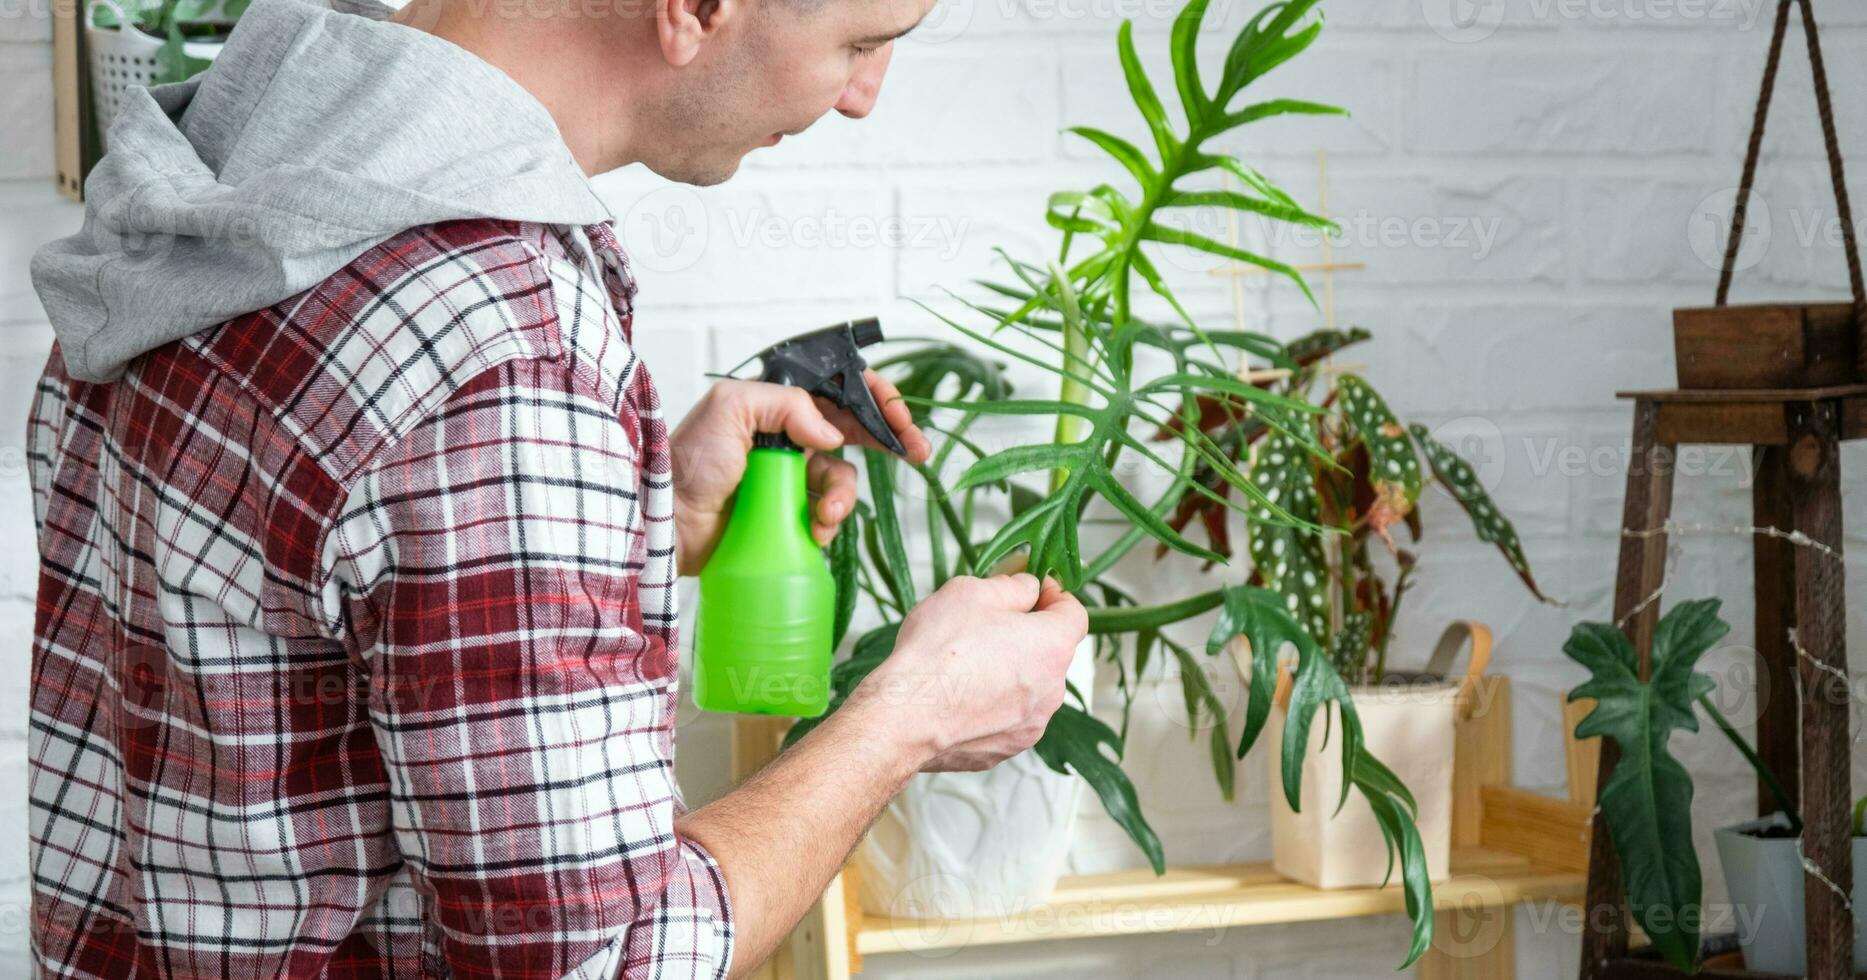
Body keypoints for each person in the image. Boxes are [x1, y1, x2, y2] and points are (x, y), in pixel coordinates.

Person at [24, 0, 1087, 974]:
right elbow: (603, 958)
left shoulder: (226, 183)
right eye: (861, 40)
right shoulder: (498, 346)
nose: (863, 96)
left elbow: (266, 610)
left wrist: (631, 520)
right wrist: (910, 715)